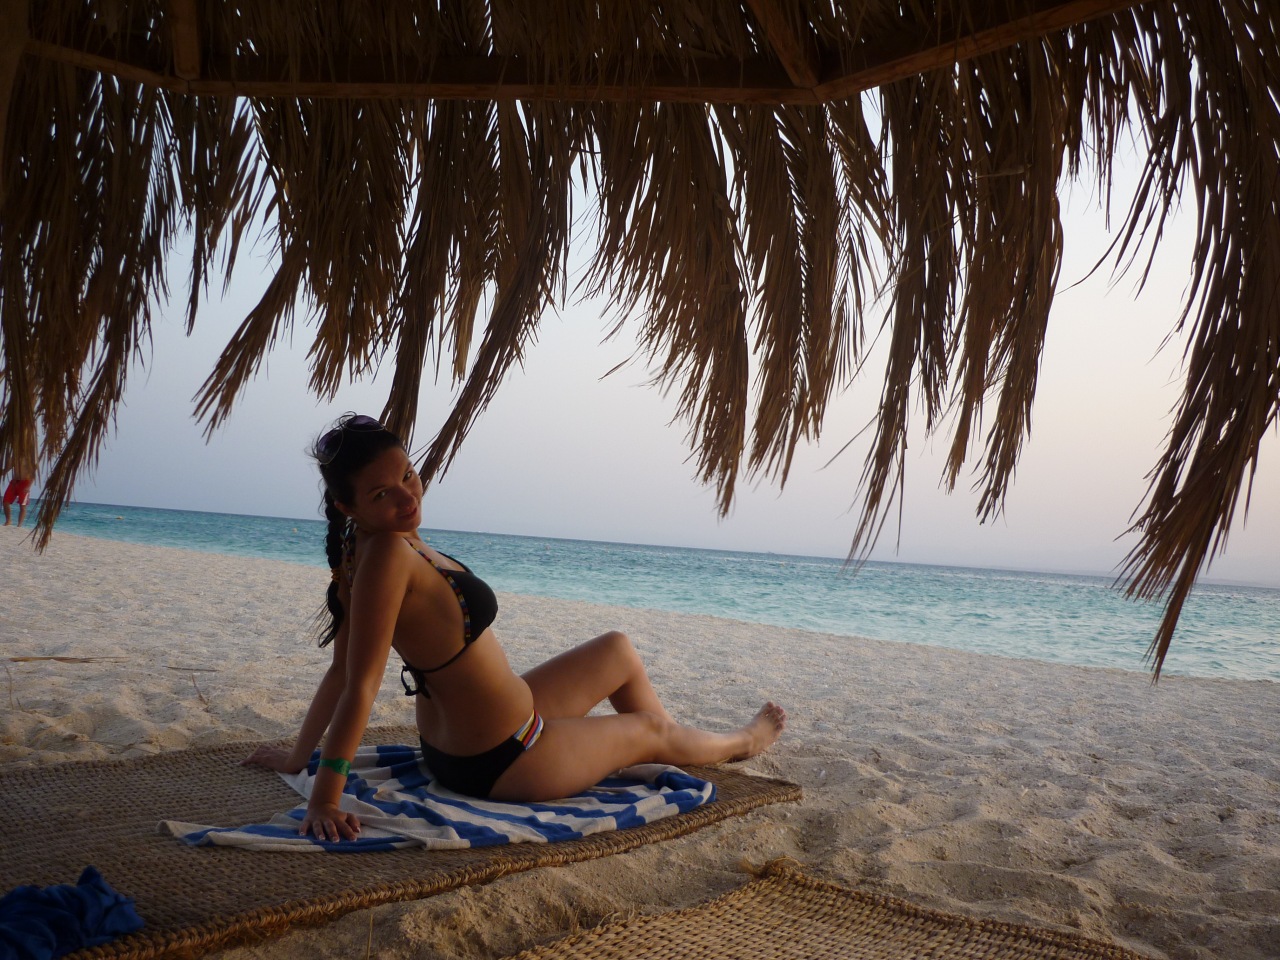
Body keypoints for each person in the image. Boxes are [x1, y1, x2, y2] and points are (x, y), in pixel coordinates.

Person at [244, 414, 786, 842]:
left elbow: (338, 672)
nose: (407, 497)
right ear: (348, 505)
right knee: (647, 727)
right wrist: (325, 798)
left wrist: (297, 758)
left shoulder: (365, 548)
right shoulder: (385, 553)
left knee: (617, 650)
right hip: (507, 759)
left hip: (482, 738)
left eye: (407, 475)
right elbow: (356, 683)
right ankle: (738, 742)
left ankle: (667, 750)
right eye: (382, 494)